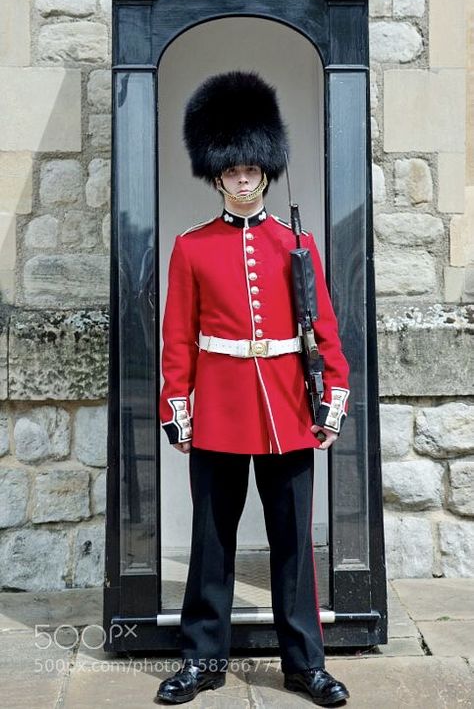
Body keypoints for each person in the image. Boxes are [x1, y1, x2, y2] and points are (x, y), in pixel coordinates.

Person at [156, 71, 350, 706]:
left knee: (293, 542)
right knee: (213, 540)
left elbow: (323, 330)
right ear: (216, 176)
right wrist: (177, 409)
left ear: (265, 171)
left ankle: (304, 665)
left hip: (288, 412)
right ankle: (202, 659)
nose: (242, 179)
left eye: (251, 169)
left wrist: (331, 399)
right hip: (218, 410)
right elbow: (178, 340)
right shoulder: (191, 248)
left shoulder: (298, 245)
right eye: (231, 170)